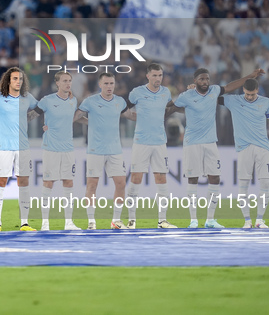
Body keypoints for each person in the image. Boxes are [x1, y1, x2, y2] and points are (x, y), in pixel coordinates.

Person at [167, 68, 265, 228]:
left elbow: (231, 86)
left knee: (215, 178)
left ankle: (210, 219)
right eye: (201, 79)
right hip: (192, 142)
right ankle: (193, 220)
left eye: (207, 79)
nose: (205, 82)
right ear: (195, 80)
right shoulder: (186, 96)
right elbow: (171, 107)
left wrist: (250, 76)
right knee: (193, 179)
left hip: (211, 142)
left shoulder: (214, 91)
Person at [74, 72, 136, 230]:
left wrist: (150, 116)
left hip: (115, 150)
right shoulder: (91, 101)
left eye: (112, 84)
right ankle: (91, 221)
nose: (109, 87)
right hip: (95, 150)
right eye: (106, 84)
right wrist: (87, 122)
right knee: (92, 185)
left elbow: (130, 115)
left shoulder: (119, 101)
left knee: (121, 184)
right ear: (100, 85)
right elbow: (76, 116)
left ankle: (115, 220)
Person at [218, 78, 269, 228]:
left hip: (262, 147)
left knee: (265, 182)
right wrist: (196, 89)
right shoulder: (233, 101)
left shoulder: (266, 102)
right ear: (243, 91)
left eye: (252, 94)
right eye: (247, 94)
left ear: (257, 91)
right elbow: (211, 96)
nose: (250, 97)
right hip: (244, 148)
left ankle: (259, 220)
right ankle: (247, 220)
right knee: (243, 185)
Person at [0, 67, 38, 232]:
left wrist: (32, 116)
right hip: (3, 147)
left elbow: (40, 107)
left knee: (24, 183)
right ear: (8, 81)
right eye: (14, 79)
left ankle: (24, 223)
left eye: (20, 79)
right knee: (0, 182)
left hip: (23, 147)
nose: (18, 81)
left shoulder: (27, 98)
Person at [127, 63, 176, 229]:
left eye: (160, 75)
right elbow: (122, 109)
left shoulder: (166, 92)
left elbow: (169, 108)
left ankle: (162, 220)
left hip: (160, 142)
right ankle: (132, 220)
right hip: (141, 142)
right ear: (147, 76)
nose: (158, 79)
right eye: (154, 75)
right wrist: (134, 117)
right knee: (136, 179)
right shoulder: (137, 93)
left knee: (161, 179)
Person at [36, 71, 81, 231]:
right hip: (51, 149)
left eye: (70, 81)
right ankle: (45, 223)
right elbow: (34, 114)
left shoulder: (73, 101)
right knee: (48, 183)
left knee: (68, 182)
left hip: (68, 148)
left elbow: (72, 117)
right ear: (57, 83)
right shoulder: (47, 100)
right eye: (65, 81)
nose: (68, 83)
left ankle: (69, 222)